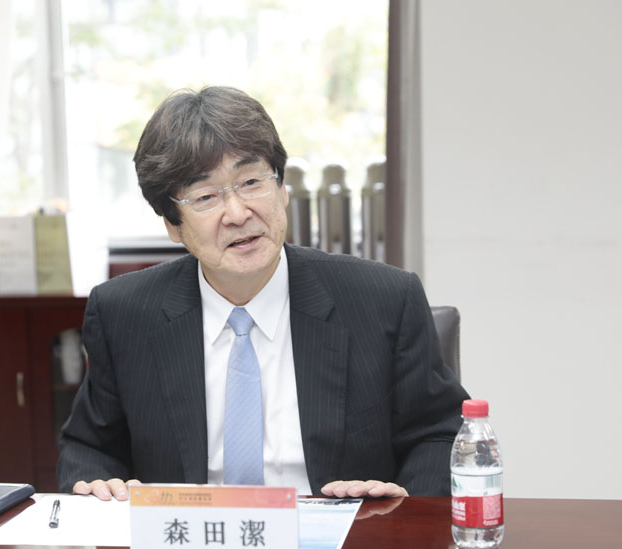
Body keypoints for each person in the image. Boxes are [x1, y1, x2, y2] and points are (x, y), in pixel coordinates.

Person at [57, 86, 468, 501]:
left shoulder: (384, 300)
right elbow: (89, 448)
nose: (238, 214)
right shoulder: (123, 314)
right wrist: (100, 484)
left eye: (251, 182)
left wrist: (398, 507)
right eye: (205, 197)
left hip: (345, 536)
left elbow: (440, 435)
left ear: (282, 189)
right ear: (173, 225)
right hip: (193, 536)